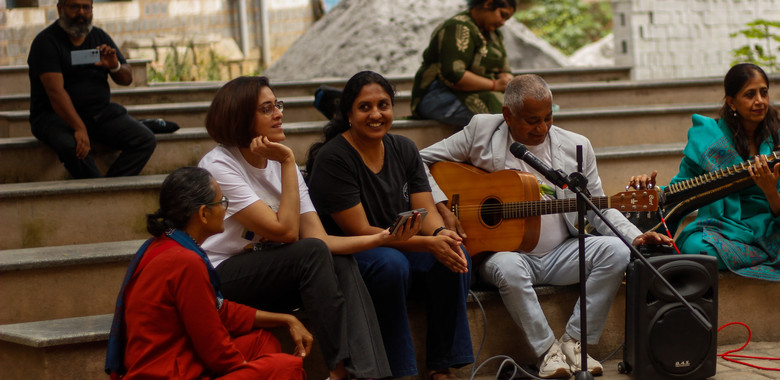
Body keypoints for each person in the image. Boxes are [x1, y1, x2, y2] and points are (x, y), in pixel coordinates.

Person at [417, 74, 671, 378]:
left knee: (616, 251)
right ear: (507, 115)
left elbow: (596, 208)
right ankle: (546, 351)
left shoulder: (577, 146)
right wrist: (443, 208)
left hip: (562, 251)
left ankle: (576, 343)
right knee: (509, 268)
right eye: (532, 120)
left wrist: (637, 236)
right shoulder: (482, 131)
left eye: (548, 118)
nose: (542, 128)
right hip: (503, 254)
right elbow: (417, 161)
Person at [198, 76, 415, 380]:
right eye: (266, 108)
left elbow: (320, 238)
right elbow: (286, 233)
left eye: (278, 105)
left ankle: (365, 375)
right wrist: (288, 162)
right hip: (224, 277)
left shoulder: (276, 162)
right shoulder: (220, 166)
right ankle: (339, 372)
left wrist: (383, 237)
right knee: (312, 253)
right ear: (240, 117)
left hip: (275, 272)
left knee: (339, 261)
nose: (278, 113)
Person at [307, 71, 474, 380]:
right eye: (365, 107)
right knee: (391, 265)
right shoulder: (334, 158)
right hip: (352, 250)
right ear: (348, 114)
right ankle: (400, 371)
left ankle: (441, 365)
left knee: (453, 254)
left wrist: (439, 234)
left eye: (383, 105)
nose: (376, 114)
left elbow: (424, 208)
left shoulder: (404, 148)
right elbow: (362, 231)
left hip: (399, 244)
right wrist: (426, 243)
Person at [632, 63, 780, 281]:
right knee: (695, 248)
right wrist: (651, 190)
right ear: (731, 102)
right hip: (721, 233)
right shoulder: (709, 141)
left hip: (771, 233)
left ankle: (750, 258)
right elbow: (679, 189)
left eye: (764, 93)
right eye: (750, 95)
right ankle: (779, 258)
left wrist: (770, 192)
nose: (759, 101)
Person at [105, 167, 309, 379]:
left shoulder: (162, 244)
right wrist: (246, 367)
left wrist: (287, 319)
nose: (225, 209)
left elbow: (216, 309)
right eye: (221, 202)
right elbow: (214, 348)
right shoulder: (185, 261)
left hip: (181, 358)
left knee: (261, 342)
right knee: (287, 367)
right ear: (203, 213)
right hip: (166, 372)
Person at [28, 0, 156, 179]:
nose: (81, 13)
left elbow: (127, 78)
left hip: (99, 114)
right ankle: (95, 188)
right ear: (60, 8)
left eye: (86, 7)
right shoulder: (46, 42)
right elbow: (55, 93)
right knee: (71, 146)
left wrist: (115, 66)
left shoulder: (99, 37)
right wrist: (79, 127)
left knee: (145, 139)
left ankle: (109, 188)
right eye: (74, 7)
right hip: (55, 117)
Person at [410, 0, 517, 127]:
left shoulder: (495, 35)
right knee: (501, 116)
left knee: (519, 107)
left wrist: (507, 79)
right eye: (502, 15)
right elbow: (454, 75)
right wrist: (494, 85)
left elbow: (504, 70)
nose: (502, 22)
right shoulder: (457, 27)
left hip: (483, 92)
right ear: (488, 4)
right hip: (439, 94)